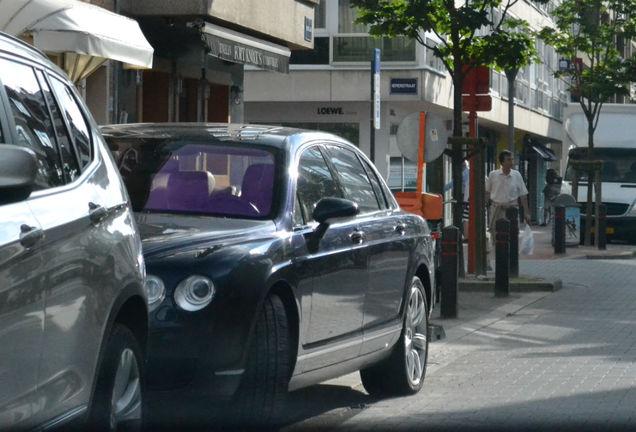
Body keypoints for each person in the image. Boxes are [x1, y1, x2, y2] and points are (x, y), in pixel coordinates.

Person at [485, 150, 531, 244]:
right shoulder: (493, 175)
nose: (511, 162)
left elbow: (523, 195)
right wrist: (484, 208)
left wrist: (527, 213)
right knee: (495, 235)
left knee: (513, 235)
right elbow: (487, 193)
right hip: (496, 209)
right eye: (509, 160)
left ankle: (511, 255)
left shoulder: (516, 175)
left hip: (512, 209)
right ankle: (498, 254)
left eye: (512, 159)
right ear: (502, 162)